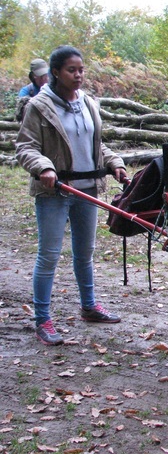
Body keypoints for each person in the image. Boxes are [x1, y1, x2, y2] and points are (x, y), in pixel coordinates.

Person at [15, 45, 128, 346]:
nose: (78, 75)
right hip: (55, 192)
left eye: (81, 70)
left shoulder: (88, 102)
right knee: (49, 256)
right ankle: (43, 320)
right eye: (71, 70)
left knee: (84, 254)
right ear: (55, 72)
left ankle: (89, 306)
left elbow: (95, 145)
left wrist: (113, 162)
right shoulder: (38, 106)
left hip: (87, 190)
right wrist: (43, 167)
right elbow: (25, 147)